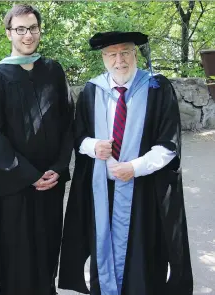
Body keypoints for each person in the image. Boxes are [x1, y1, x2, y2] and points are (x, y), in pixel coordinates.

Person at [58, 31, 193, 295]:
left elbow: (170, 143)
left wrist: (135, 167)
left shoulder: (157, 87)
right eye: (112, 54)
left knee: (144, 257)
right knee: (103, 253)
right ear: (103, 58)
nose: (119, 60)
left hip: (145, 191)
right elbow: (78, 136)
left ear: (134, 54)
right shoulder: (92, 90)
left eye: (125, 52)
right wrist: (93, 146)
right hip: (103, 192)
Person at [0, 4, 74, 295]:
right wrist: (28, 175)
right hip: (16, 184)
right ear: (9, 33)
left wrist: (58, 168)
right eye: (20, 29)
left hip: (51, 180)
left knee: (48, 244)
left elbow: (68, 122)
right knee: (17, 249)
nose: (28, 35)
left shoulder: (53, 70)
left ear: (39, 30)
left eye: (32, 28)